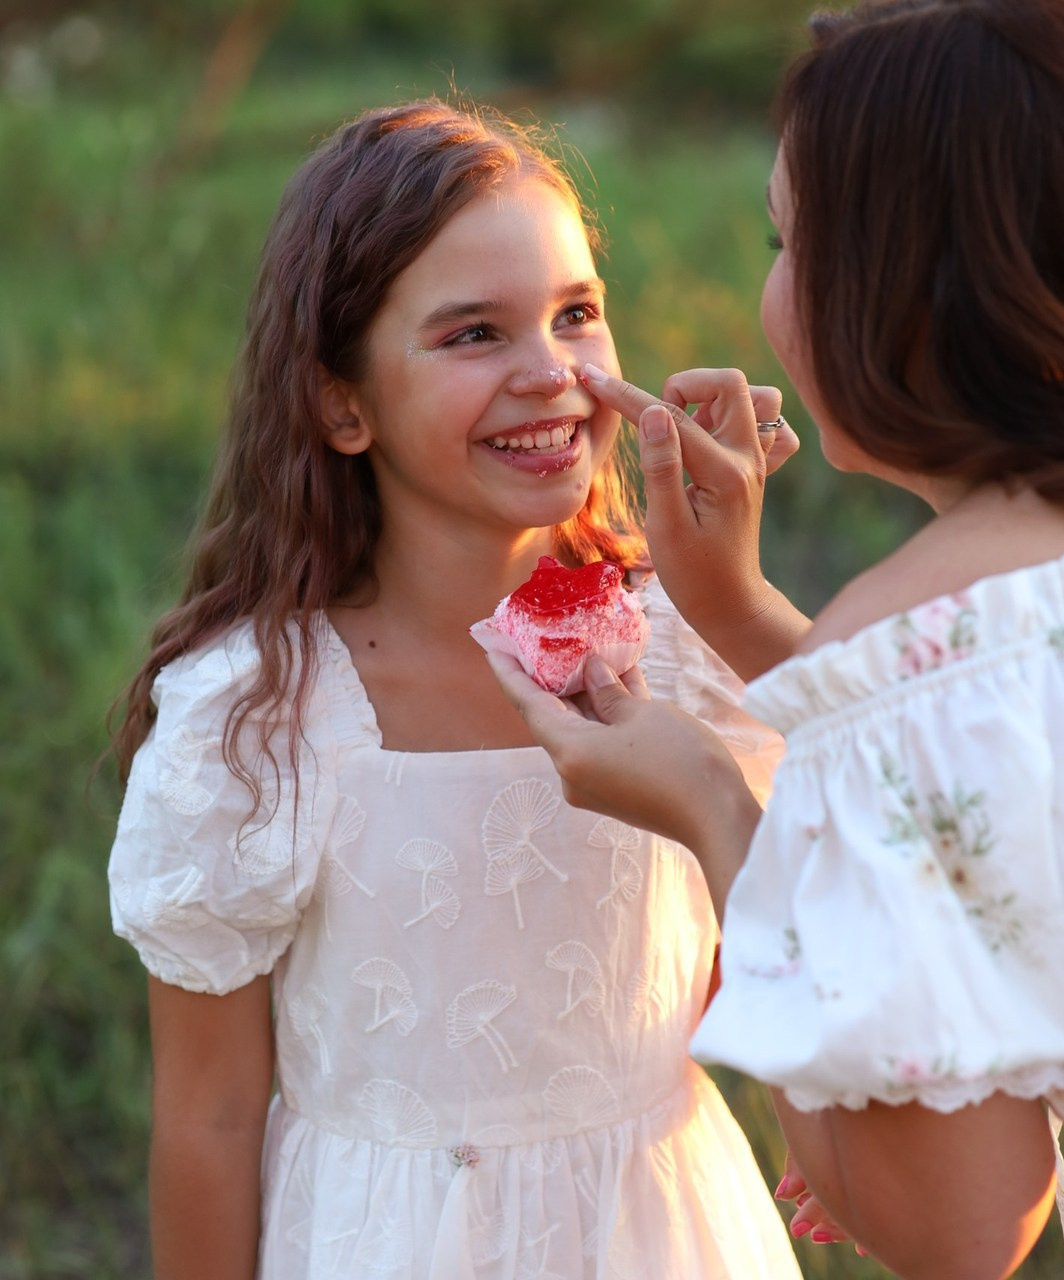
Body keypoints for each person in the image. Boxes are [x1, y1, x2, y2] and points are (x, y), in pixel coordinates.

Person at [488, 2, 1064, 1277]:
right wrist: (742, 613)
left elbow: (958, 1226)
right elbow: (1034, 751)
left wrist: (714, 806)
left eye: (783, 239)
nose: (770, 287)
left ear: (893, 291)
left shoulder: (908, 666)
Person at [105, 99, 808, 1280]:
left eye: (576, 314)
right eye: (473, 333)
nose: (551, 374)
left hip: (658, 1231)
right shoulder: (256, 711)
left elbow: (835, 859)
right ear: (341, 403)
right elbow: (209, 1116)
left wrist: (732, 592)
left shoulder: (684, 645)